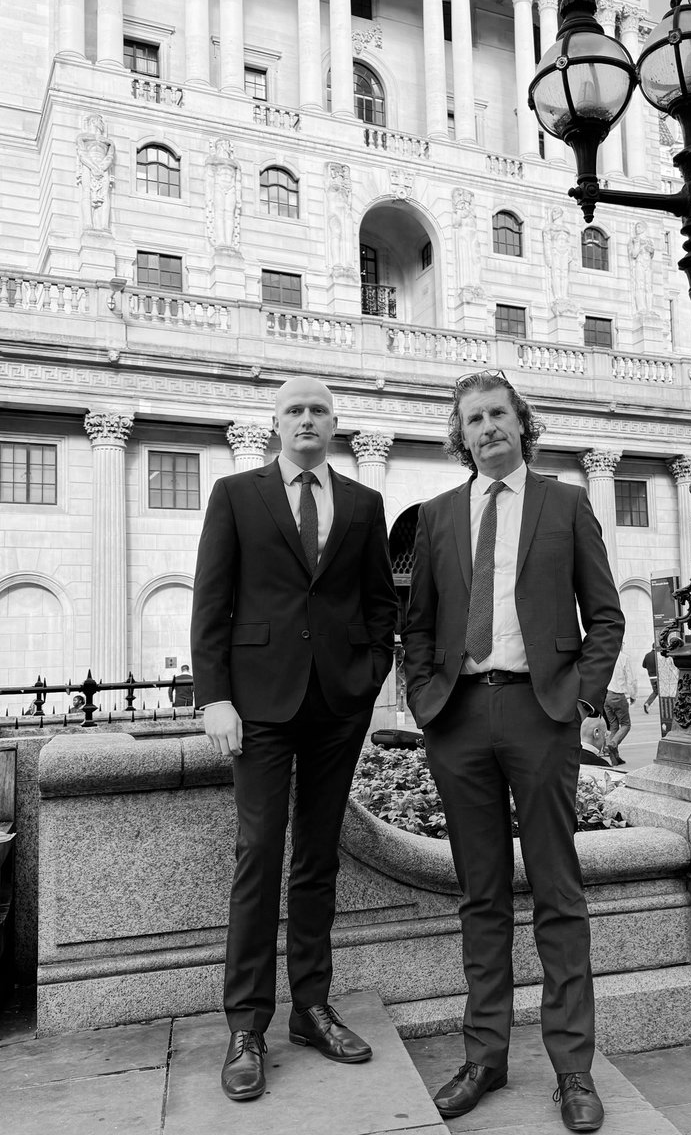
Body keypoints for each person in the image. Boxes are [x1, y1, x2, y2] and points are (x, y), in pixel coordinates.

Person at [403, 369, 623, 1133]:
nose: (488, 427)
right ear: (459, 435)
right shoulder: (435, 516)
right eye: (474, 418)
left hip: (541, 711)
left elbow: (605, 615)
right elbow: (418, 623)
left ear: (523, 424)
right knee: (481, 896)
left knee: (559, 894)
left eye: (499, 414)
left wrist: (583, 699)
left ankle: (572, 1070)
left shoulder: (566, 503)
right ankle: (485, 1056)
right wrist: (422, 693)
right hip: (458, 716)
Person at [190, 376, 397, 1103]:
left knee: (317, 859)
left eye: (318, 410)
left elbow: (380, 602)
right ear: (275, 424)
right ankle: (247, 1024)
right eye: (294, 410)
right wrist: (212, 695)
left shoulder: (365, 504)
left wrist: (369, 677)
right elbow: (212, 598)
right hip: (259, 705)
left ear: (335, 424)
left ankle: (311, 1007)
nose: (307, 420)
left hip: (337, 703)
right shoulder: (236, 495)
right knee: (258, 856)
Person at [603, 643, 637, 767]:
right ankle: (613, 743)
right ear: (621, 646)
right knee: (626, 724)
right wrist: (633, 695)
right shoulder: (624, 658)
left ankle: (615, 758)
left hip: (607, 696)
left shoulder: (606, 658)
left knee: (613, 726)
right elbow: (631, 680)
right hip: (618, 695)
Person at [641, 645, 659, 714]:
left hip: (651, 677)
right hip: (659, 677)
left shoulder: (647, 655)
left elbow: (643, 665)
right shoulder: (658, 655)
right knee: (661, 693)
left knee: (656, 691)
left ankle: (647, 703)